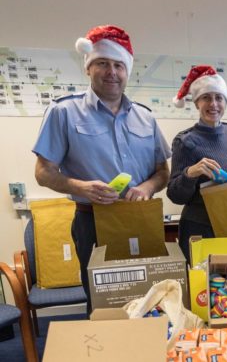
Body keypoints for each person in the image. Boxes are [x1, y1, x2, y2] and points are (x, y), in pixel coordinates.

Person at [32, 25, 172, 313]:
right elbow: (43, 171)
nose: (112, 72)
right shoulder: (63, 112)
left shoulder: (145, 117)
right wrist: (79, 187)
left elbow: (163, 172)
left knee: (151, 298)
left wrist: (146, 187)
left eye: (118, 65)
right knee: (102, 303)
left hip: (139, 218)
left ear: (127, 71)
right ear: (88, 68)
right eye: (102, 64)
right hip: (92, 222)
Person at [167, 65, 227, 264]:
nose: (213, 104)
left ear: (225, 102)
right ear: (197, 102)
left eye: (219, 98)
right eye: (206, 98)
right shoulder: (185, 141)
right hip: (199, 227)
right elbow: (174, 194)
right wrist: (190, 173)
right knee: (199, 285)